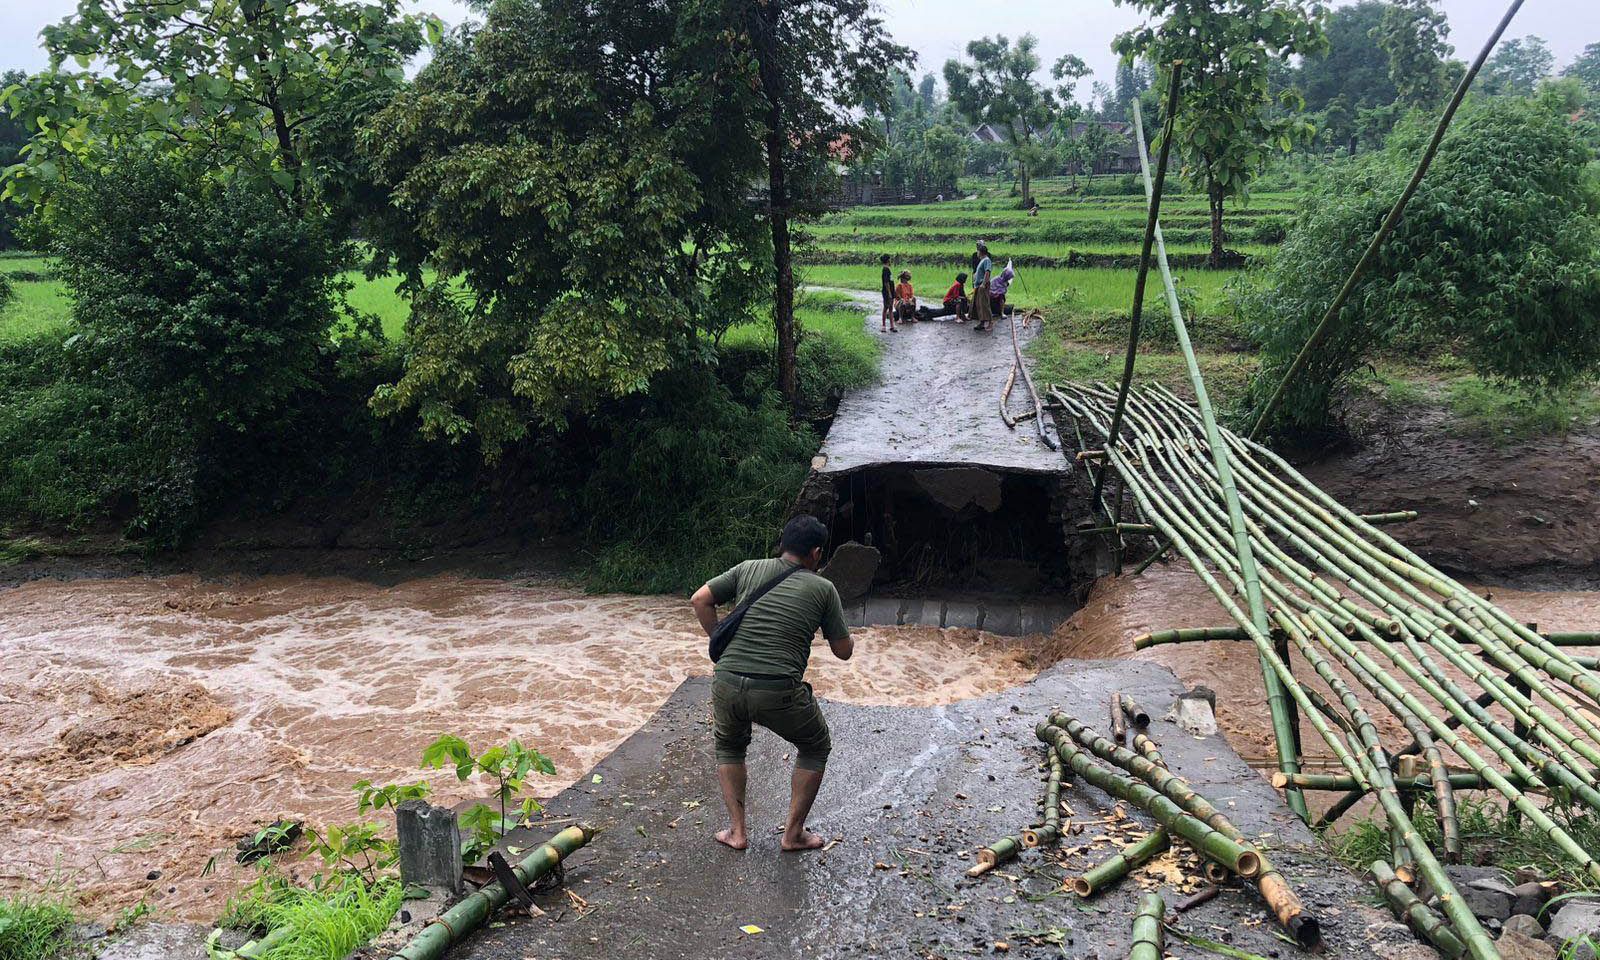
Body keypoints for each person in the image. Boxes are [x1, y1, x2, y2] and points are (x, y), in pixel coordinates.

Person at [690, 515, 853, 853]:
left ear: (782, 544)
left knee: (730, 747)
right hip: (778, 689)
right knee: (815, 746)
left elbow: (700, 599)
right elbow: (843, 652)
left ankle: (737, 832)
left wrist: (720, 641)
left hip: (727, 681)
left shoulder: (748, 568)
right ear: (816, 553)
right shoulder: (823, 588)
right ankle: (792, 834)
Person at [971, 241, 994, 332]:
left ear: (980, 252)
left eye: (978, 251)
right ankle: (981, 322)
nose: (977, 253)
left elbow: (987, 272)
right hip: (978, 285)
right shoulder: (982, 261)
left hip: (982, 286)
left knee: (984, 304)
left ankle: (990, 323)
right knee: (979, 304)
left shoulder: (987, 260)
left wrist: (983, 284)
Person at [879, 254, 897, 333]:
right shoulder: (885, 269)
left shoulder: (888, 269)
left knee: (890, 308)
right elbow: (886, 282)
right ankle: (883, 325)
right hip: (887, 292)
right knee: (886, 308)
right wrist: (889, 293)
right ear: (887, 260)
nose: (890, 261)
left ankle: (892, 325)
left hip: (891, 291)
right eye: (889, 259)